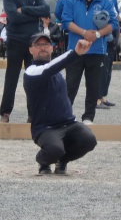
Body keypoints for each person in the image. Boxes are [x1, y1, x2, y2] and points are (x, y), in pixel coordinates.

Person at [23, 33, 97, 175]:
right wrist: (75, 53)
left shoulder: (57, 72)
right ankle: (43, 161)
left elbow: (54, 68)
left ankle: (62, 160)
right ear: (31, 50)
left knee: (89, 139)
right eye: (38, 45)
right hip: (45, 128)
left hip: (68, 123)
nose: (43, 48)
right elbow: (50, 68)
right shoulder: (31, 72)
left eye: (46, 44)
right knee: (55, 149)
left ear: (52, 48)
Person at [61, 0, 117, 125]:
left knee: (93, 87)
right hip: (75, 50)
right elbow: (66, 21)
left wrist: (97, 34)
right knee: (70, 85)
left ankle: (88, 117)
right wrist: (84, 33)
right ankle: (64, 116)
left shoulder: (106, 1)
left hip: (97, 51)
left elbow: (113, 23)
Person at [0, 0, 50, 123]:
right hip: (15, 41)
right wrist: (34, 15)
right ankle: (5, 113)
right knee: (11, 79)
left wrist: (25, 10)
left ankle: (33, 114)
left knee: (33, 79)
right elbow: (13, 17)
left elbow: (46, 10)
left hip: (33, 43)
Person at [97, 0, 118, 109]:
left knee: (108, 72)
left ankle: (103, 96)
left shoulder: (110, 3)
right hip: (105, 42)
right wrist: (108, 36)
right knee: (101, 72)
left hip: (111, 43)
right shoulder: (101, 5)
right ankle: (97, 99)